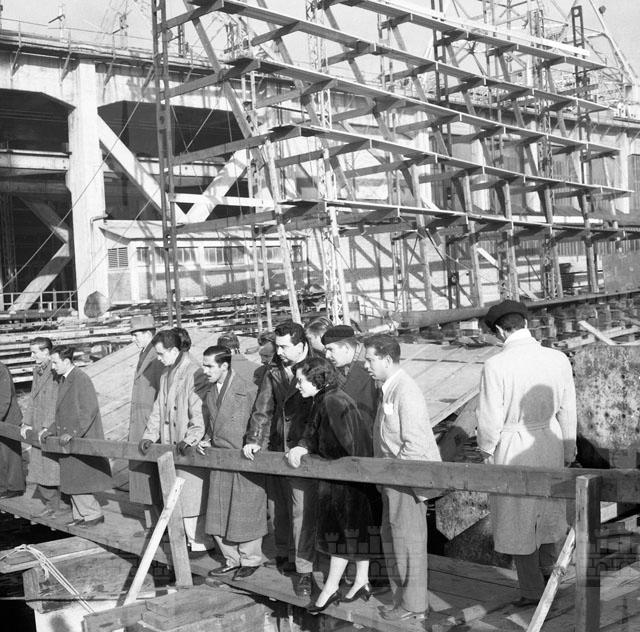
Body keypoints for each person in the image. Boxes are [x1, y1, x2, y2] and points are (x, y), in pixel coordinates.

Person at [476, 300, 577, 608]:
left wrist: (486, 450)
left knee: (518, 519)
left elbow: (489, 419)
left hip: (513, 445)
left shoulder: (496, 365)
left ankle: (532, 590)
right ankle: (552, 578)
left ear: (499, 331)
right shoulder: (557, 358)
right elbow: (568, 408)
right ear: (525, 324)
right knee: (548, 511)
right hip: (549, 440)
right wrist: (568, 448)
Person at [287, 357, 382, 614]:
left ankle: (329, 589)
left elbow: (336, 445)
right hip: (357, 476)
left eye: (301, 380)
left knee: (338, 535)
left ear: (317, 380)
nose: (297, 385)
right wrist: (304, 445)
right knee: (357, 529)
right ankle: (362, 580)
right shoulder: (335, 396)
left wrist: (309, 450)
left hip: (341, 480)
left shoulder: (329, 402)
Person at [364, 334, 441, 622]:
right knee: (394, 540)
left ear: (386, 359)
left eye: (370, 360)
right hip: (392, 479)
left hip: (404, 480)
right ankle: (405, 601)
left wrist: (395, 477)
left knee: (408, 543)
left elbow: (415, 443)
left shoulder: (405, 390)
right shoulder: (388, 388)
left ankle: (414, 605)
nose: (366, 366)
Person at [242, 320, 319, 598]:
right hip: (278, 447)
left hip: (303, 451)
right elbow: (262, 407)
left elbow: (321, 411)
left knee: (302, 512)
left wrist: (306, 445)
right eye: (277, 346)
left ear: (301, 345)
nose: (279, 351)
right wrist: (254, 439)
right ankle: (285, 554)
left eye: (284, 347)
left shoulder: (317, 367)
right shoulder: (273, 369)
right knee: (279, 508)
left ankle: (305, 570)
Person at [139, 330, 214, 558]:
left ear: (173, 350)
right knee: (176, 495)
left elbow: (200, 410)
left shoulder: (194, 372)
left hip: (185, 444)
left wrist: (191, 438)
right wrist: (150, 435)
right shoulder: (166, 374)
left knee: (192, 495)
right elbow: (158, 408)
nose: (158, 358)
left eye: (161, 354)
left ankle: (200, 543)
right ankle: (186, 541)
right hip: (170, 443)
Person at [201, 345, 266, 581]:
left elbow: (262, 423)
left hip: (242, 458)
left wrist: (255, 445)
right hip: (220, 459)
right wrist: (207, 439)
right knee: (219, 512)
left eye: (209, 366)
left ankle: (251, 559)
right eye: (204, 365)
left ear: (225, 366)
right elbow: (213, 424)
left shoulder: (248, 390)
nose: (205, 370)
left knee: (245, 510)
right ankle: (231, 559)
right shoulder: (210, 392)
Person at [44, 345, 111, 527]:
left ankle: (93, 514)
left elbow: (88, 411)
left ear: (66, 361)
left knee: (80, 479)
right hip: (69, 437)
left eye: (55, 363)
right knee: (72, 478)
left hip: (80, 438)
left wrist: (72, 434)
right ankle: (80, 515)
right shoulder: (65, 379)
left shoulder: (81, 379)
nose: (53, 367)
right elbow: (62, 413)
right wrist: (50, 430)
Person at [128, 315, 164, 532]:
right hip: (141, 422)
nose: (134, 339)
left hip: (149, 424)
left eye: (137, 334)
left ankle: (159, 526)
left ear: (149, 333)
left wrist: (154, 428)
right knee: (144, 475)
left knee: (153, 476)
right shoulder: (145, 354)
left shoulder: (156, 356)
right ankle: (153, 524)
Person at [20, 337, 60, 515]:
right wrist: (26, 422)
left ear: (46, 352)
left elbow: (55, 401)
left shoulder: (56, 369)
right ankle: (51, 503)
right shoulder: (38, 370)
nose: (31, 356)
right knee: (39, 465)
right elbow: (33, 398)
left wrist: (47, 426)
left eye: (34, 352)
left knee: (51, 467)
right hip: (37, 424)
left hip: (49, 426)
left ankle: (58, 505)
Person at [322, 325, 378, 429]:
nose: (327, 355)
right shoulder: (345, 364)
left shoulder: (373, 365)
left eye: (330, 349)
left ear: (346, 347)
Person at [0, 359, 25, 499]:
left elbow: (4, 398)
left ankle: (15, 487)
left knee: (10, 455)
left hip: (8, 419)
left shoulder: (1, 369)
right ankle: (3, 487)